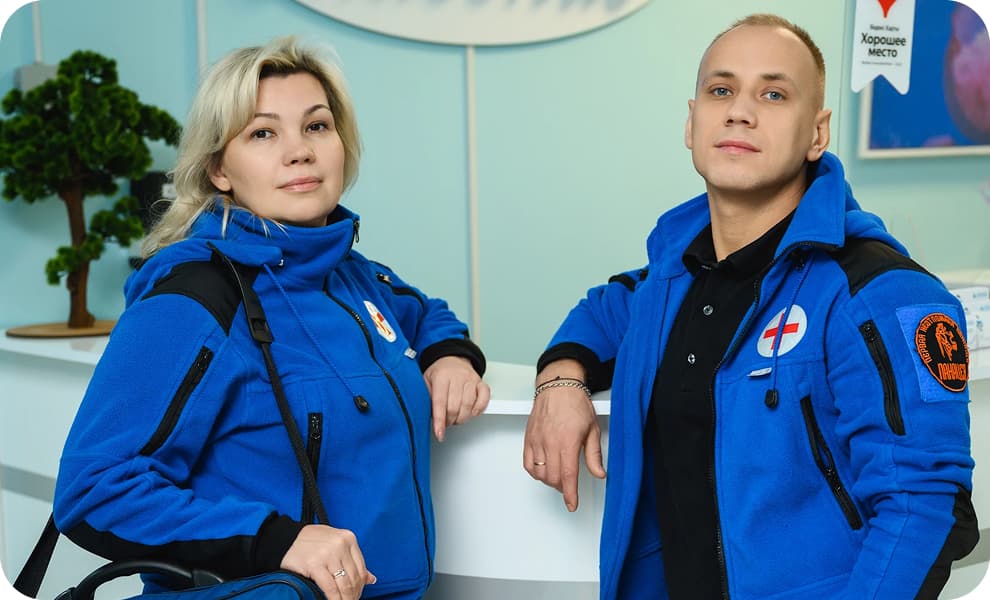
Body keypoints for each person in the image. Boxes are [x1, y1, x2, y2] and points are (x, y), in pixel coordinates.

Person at [523, 13, 978, 600]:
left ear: (817, 134)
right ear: (691, 123)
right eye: (721, 90)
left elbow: (924, 510)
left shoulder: (878, 292)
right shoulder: (671, 277)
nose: (739, 110)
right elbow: (602, 313)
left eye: (773, 94)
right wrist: (560, 382)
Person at [53, 36, 489, 600]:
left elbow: (425, 313)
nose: (300, 151)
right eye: (263, 133)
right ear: (219, 169)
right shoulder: (193, 300)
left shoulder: (353, 276)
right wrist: (275, 540)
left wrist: (449, 355)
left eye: (316, 126)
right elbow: (93, 488)